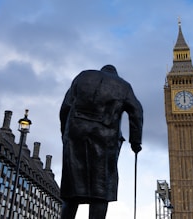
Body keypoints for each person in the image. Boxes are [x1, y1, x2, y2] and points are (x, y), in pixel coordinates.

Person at [59, 64, 143, 219]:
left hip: (75, 134)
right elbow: (137, 112)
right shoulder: (124, 86)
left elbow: (65, 107)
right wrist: (135, 142)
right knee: (101, 190)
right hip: (105, 138)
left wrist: (65, 134)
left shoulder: (83, 76)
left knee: (71, 191)